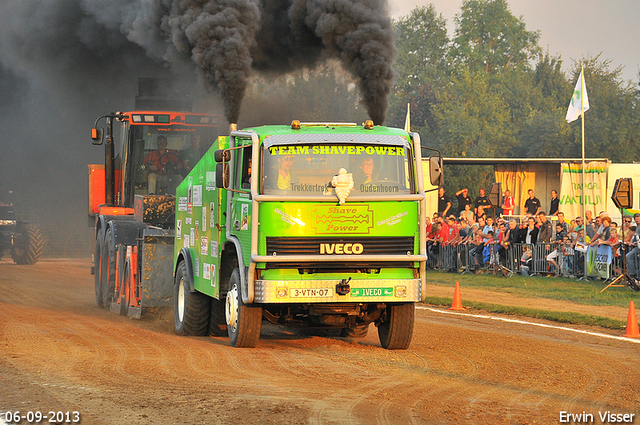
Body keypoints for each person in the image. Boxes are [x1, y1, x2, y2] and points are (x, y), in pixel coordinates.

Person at [625, 213, 640, 278]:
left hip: (638, 246)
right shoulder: (637, 227)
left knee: (629, 256)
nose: (637, 219)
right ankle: (634, 274)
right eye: (636, 218)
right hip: (637, 246)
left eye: (638, 218)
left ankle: (634, 274)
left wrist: (634, 243)